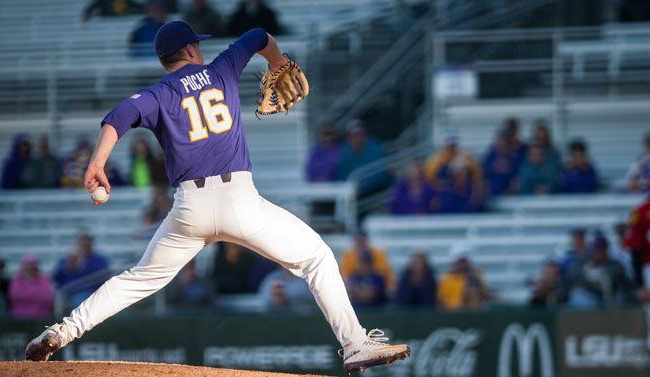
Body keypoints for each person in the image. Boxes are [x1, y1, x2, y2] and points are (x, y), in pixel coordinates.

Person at [26, 22, 409, 372]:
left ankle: (63, 331)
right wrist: (276, 64)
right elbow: (259, 34)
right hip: (239, 200)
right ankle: (355, 343)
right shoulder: (221, 69)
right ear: (192, 49)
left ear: (164, 60)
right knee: (316, 257)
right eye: (198, 45)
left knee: (138, 278)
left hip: (189, 208)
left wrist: (97, 161)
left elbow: (119, 115)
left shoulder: (159, 93)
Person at [566, 233, 636, 308]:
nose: (599, 252)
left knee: (620, 298)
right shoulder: (583, 263)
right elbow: (575, 281)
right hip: (590, 298)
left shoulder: (616, 265)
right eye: (596, 249)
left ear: (606, 250)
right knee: (579, 296)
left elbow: (625, 284)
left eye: (601, 249)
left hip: (611, 299)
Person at [52, 233, 110, 310]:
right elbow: (55, 278)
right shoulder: (67, 259)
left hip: (93, 293)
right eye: (82, 242)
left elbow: (102, 276)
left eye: (87, 242)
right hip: (70, 294)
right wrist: (68, 267)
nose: (84, 245)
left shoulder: (100, 260)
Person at [337, 120, 392, 198]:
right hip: (352, 195)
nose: (357, 139)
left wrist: (365, 186)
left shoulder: (375, 149)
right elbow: (341, 177)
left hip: (376, 193)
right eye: (353, 136)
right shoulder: (344, 154)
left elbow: (381, 174)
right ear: (349, 138)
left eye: (360, 135)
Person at [437, 245, 491, 310]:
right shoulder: (446, 279)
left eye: (464, 261)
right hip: (453, 315)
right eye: (460, 261)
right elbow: (441, 301)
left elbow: (485, 296)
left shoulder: (476, 275)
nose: (462, 264)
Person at [483, 128, 521, 196]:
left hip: (508, 197)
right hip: (490, 196)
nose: (501, 144)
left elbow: (517, 180)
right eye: (499, 141)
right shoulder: (490, 157)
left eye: (504, 141)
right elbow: (484, 176)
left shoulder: (515, 159)